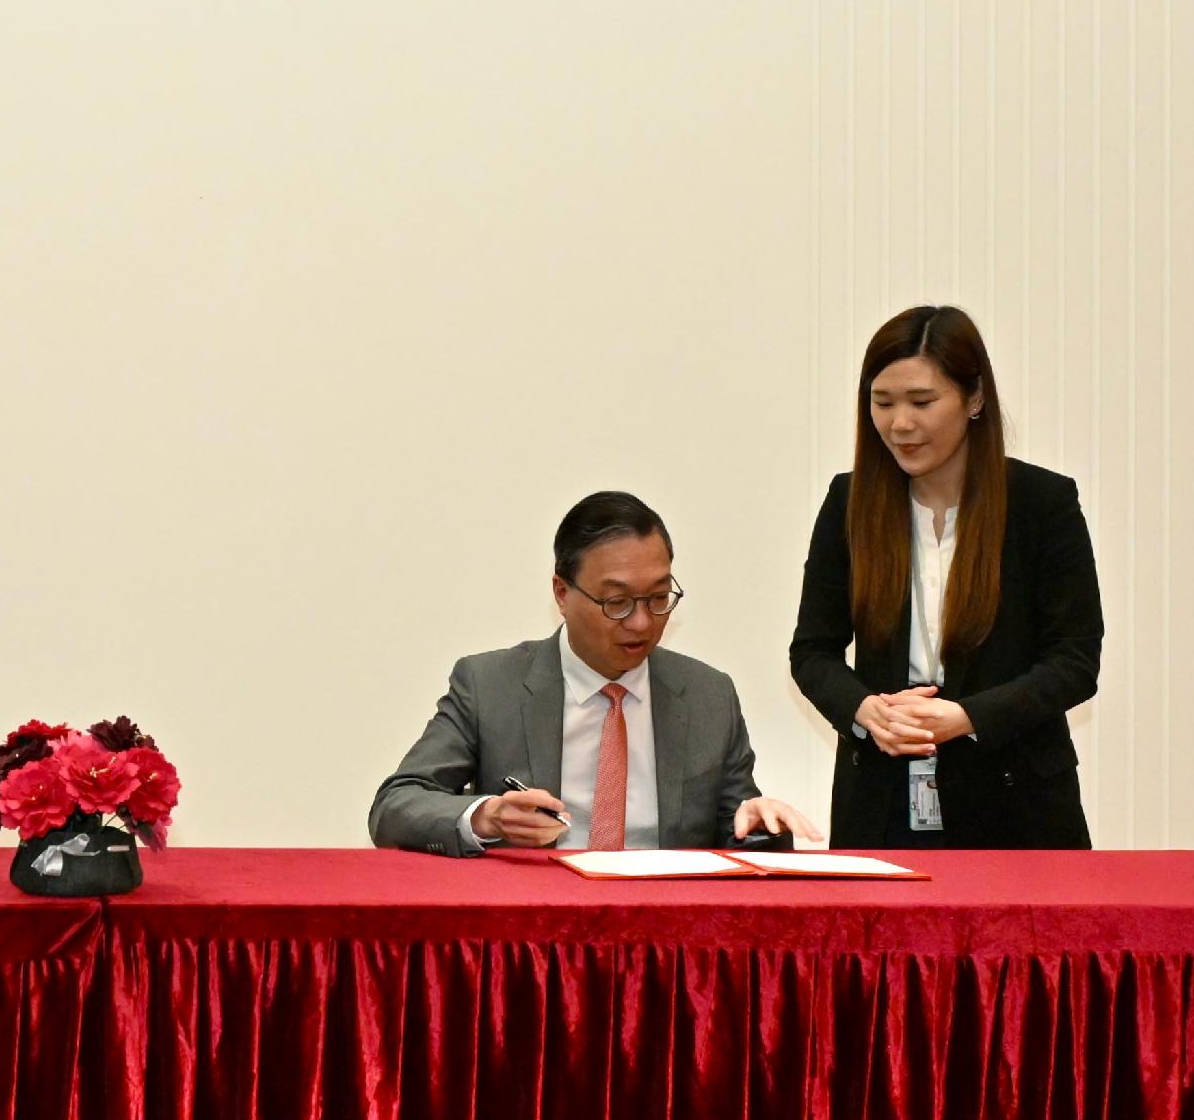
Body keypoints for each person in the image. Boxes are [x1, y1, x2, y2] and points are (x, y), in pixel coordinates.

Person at [787, 305, 1103, 848]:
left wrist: (966, 716)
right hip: (881, 801)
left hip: (1018, 799)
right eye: (882, 403)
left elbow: (1074, 661)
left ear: (974, 399)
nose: (899, 424)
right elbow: (812, 652)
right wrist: (866, 712)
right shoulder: (848, 502)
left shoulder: (1042, 504)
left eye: (922, 402)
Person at [371, 490, 809, 854]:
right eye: (616, 602)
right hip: (535, 932)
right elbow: (395, 805)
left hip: (663, 929)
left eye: (658, 598)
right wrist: (485, 816)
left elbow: (740, 825)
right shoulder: (490, 685)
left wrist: (760, 827)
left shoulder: (707, 694)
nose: (641, 622)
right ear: (562, 592)